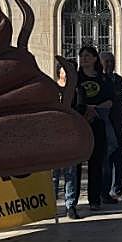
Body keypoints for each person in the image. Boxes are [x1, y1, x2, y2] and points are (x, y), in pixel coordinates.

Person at [76, 45, 114, 211]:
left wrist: (95, 110)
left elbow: (111, 100)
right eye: (81, 55)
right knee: (75, 164)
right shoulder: (76, 78)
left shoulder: (103, 79)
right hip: (79, 124)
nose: (83, 58)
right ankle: (73, 201)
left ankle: (94, 199)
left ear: (94, 59)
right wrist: (85, 110)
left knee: (96, 162)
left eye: (87, 55)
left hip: (98, 122)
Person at [53, 56, 85, 220]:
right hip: (54, 137)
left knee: (71, 173)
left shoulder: (78, 91)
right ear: (60, 71)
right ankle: (50, 206)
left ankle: (70, 205)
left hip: (71, 136)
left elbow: (79, 109)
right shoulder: (51, 89)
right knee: (54, 174)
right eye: (67, 69)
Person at [100, 51, 122, 203]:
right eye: (106, 61)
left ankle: (118, 190)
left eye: (111, 61)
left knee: (121, 160)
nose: (109, 64)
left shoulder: (118, 80)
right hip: (105, 126)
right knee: (106, 161)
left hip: (119, 124)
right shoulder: (99, 80)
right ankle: (105, 192)